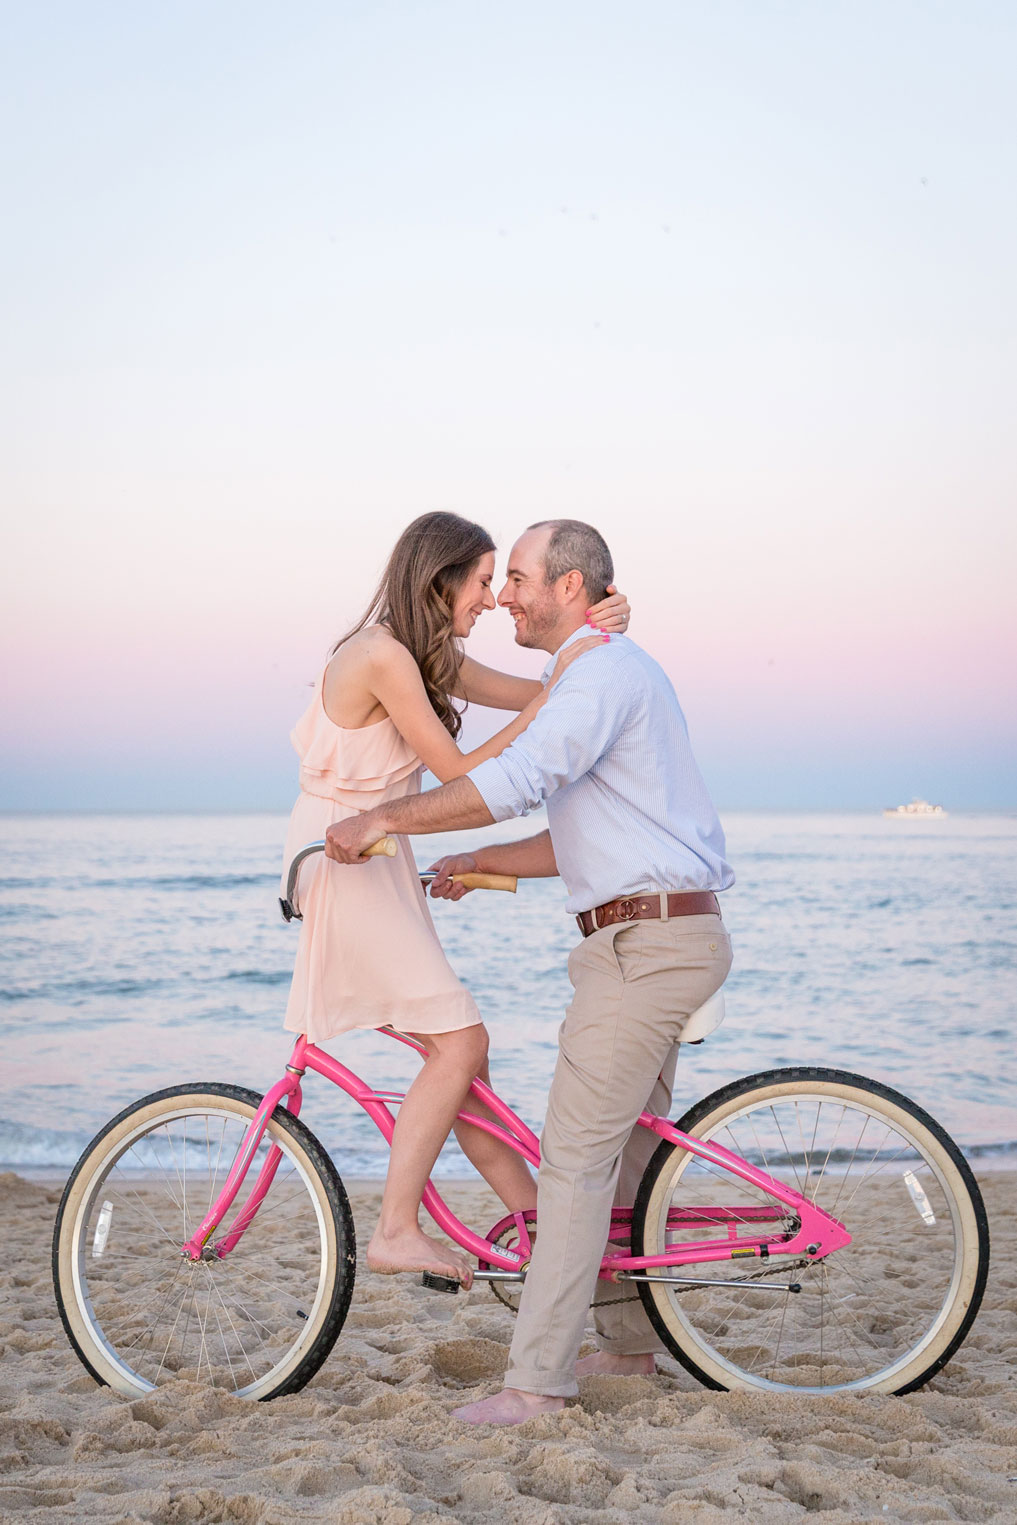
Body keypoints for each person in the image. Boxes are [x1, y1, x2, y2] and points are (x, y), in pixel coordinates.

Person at [322, 518, 734, 1424]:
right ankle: (626, 1347)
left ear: (570, 589)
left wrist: (380, 818)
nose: (504, 594)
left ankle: (535, 1384)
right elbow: (571, 836)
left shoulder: (600, 675)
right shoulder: (593, 674)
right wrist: (482, 865)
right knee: (622, 1163)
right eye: (495, 580)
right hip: (654, 935)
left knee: (573, 1165)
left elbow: (512, 779)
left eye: (516, 577)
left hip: (644, 947)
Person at [280, 511, 630, 1288]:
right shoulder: (380, 657)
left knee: (464, 1070)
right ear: (440, 578)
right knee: (461, 1042)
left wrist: (603, 626)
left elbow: (549, 685)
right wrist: (555, 707)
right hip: (346, 852)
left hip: (377, 851)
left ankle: (553, 1243)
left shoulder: (424, 656)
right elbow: (457, 770)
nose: (490, 599)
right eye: (481, 581)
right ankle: (396, 1228)